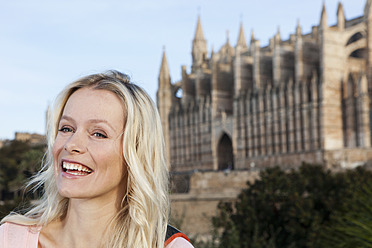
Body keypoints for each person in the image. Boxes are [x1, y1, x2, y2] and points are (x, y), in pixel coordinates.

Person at [0, 70, 194, 248]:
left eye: (98, 134)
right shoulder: (10, 239)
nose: (71, 144)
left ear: (134, 153)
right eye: (66, 128)